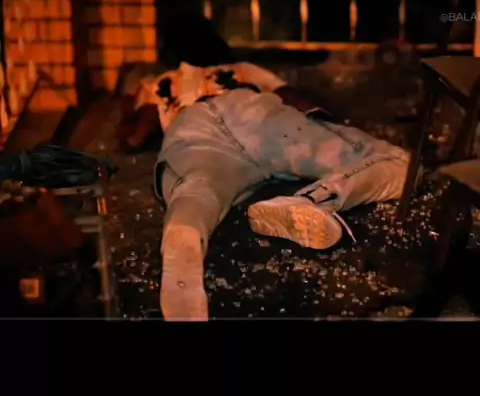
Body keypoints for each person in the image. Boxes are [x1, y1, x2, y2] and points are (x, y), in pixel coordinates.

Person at [119, 60, 410, 322]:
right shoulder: (242, 69)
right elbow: (297, 99)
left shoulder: (161, 83)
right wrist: (331, 130)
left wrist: (129, 101)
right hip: (251, 111)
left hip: (190, 125)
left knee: (196, 189)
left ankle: (186, 227)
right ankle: (316, 197)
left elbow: (133, 138)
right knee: (400, 163)